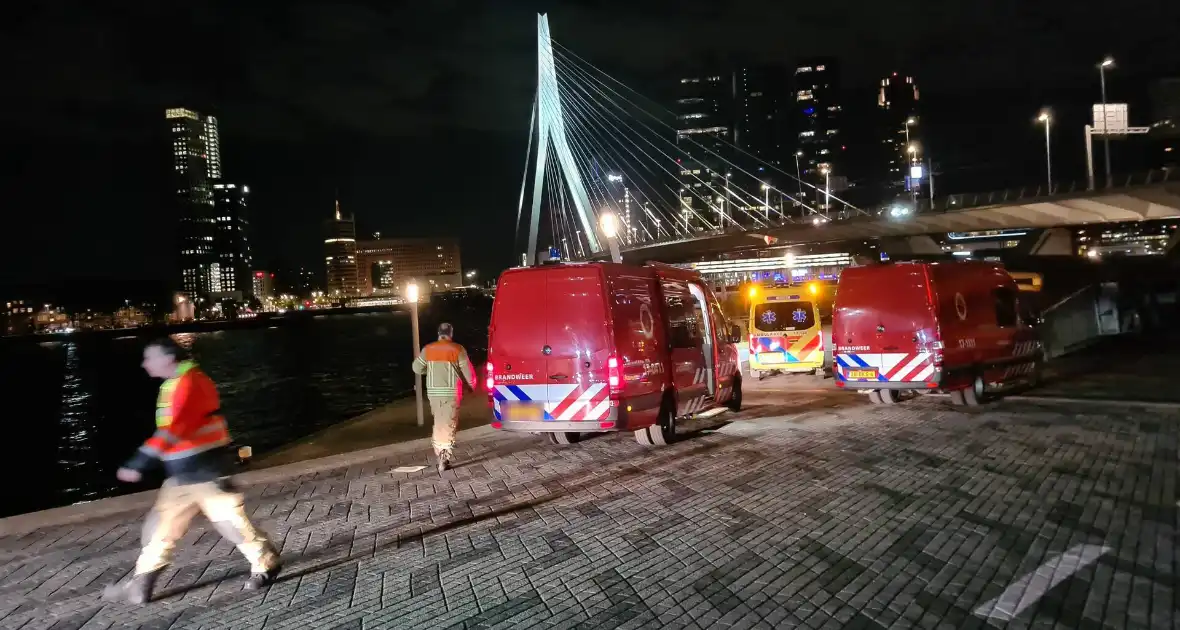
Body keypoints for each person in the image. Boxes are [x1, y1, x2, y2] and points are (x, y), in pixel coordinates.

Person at [103, 338, 281, 605]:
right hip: (183, 473)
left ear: (168, 358)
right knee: (159, 526)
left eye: (150, 358)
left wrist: (139, 462)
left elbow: (175, 429)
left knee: (229, 523)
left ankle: (265, 562)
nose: (144, 364)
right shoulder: (174, 383)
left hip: (208, 470)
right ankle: (140, 584)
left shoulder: (190, 382)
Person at [412, 322, 476, 473]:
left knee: (439, 422)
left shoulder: (428, 349)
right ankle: (443, 458)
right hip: (450, 393)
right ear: (451, 334)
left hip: (433, 394)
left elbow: (416, 367)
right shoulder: (457, 349)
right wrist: (472, 385)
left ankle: (439, 452)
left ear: (439, 333)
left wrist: (430, 369)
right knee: (448, 424)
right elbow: (468, 371)